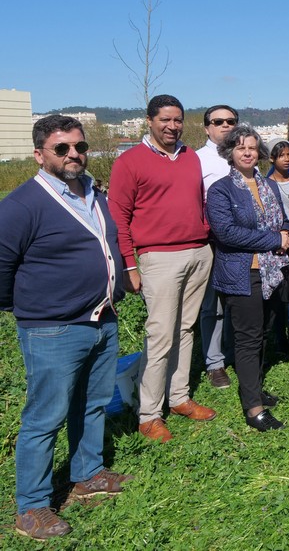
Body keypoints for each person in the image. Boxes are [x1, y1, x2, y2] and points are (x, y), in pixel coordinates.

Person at [0, 116, 132, 540]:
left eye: (79, 146)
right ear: (40, 154)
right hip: (54, 329)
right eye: (62, 148)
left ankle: (87, 473)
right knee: (46, 417)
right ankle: (32, 506)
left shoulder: (94, 194)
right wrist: (30, 309)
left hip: (102, 319)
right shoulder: (22, 205)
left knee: (92, 403)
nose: (73, 154)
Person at [108, 94, 215, 443]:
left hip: (198, 252)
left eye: (178, 120)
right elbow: (118, 220)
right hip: (159, 257)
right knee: (160, 335)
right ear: (150, 121)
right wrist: (129, 265)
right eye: (165, 120)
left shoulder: (190, 157)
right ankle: (149, 414)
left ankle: (179, 396)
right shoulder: (130, 161)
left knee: (185, 330)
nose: (172, 126)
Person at [206, 126, 289, 431]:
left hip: (271, 272)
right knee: (247, 338)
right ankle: (253, 409)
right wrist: (274, 240)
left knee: (263, 334)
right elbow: (226, 233)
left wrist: (285, 234)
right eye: (241, 148)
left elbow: (282, 219)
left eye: (253, 148)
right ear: (230, 152)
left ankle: (253, 387)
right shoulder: (220, 190)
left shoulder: (266, 185)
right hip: (243, 273)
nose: (247, 153)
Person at [196, 105, 239, 390]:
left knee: (236, 301)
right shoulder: (197, 159)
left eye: (231, 121)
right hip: (211, 241)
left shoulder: (243, 153)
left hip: (242, 241)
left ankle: (236, 352)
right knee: (211, 305)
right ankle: (215, 363)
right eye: (218, 121)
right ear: (207, 127)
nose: (225, 125)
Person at [265, 139, 289, 357]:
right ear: (271, 158)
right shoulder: (266, 185)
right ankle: (280, 341)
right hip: (281, 246)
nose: (286, 159)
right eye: (281, 155)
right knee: (279, 296)